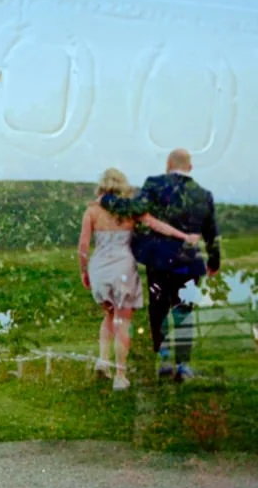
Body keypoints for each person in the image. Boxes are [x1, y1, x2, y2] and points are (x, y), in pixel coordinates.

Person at [99, 149, 221, 381]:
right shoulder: (203, 194)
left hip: (159, 261)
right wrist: (214, 262)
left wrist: (107, 199)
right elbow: (211, 233)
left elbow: (135, 209)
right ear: (190, 168)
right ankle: (183, 366)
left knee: (159, 310)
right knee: (184, 312)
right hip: (189, 263)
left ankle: (164, 359)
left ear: (168, 164)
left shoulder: (154, 184)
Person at [78, 168, 201, 390]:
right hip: (122, 268)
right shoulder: (131, 211)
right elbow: (158, 225)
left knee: (108, 315)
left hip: (100, 268)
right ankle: (120, 376)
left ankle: (103, 361)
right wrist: (185, 236)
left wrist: (83, 271)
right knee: (122, 321)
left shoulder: (92, 211)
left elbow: (83, 246)